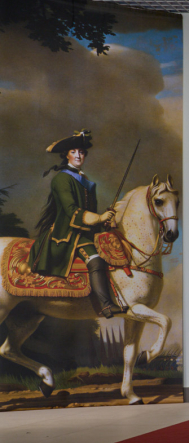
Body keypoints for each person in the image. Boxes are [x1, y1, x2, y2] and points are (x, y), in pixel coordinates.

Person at [29, 130, 128, 318]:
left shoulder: (85, 180)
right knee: (96, 260)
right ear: (66, 155)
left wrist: (105, 221)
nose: (78, 156)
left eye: (81, 152)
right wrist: (99, 218)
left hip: (85, 233)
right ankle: (106, 306)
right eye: (73, 152)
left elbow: (90, 211)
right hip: (67, 235)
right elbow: (71, 210)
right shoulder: (61, 179)